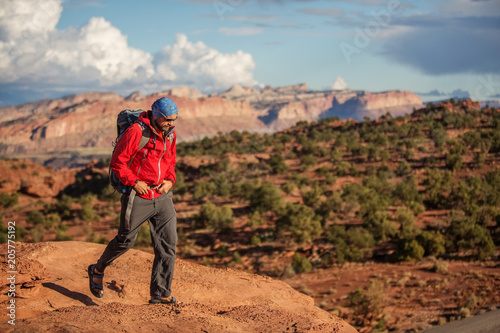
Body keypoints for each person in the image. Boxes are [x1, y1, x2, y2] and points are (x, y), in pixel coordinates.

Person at [88, 97, 182, 305]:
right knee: (125, 241)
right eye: (168, 120)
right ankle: (97, 269)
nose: (171, 124)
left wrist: (170, 180)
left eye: (174, 120)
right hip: (138, 195)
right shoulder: (136, 132)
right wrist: (134, 182)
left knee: (168, 245)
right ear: (156, 116)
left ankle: (160, 294)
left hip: (162, 195)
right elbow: (117, 163)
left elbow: (171, 161)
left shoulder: (170, 134)